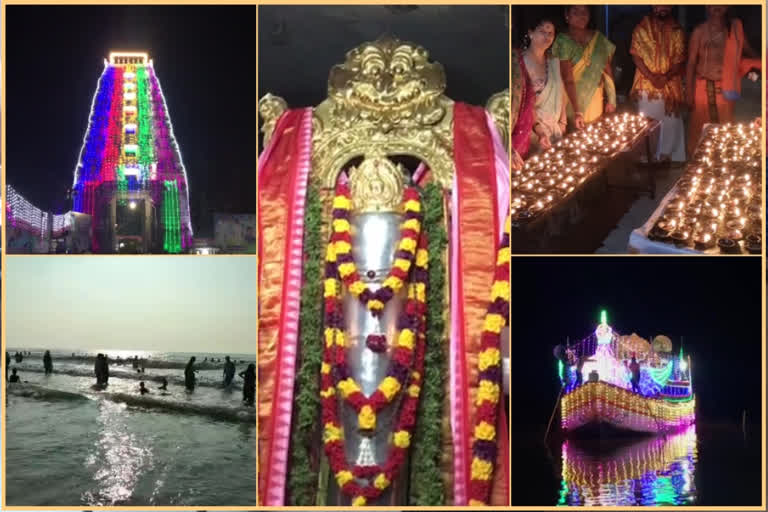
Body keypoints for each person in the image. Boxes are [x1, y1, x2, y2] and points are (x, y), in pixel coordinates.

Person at [686, 6, 761, 155]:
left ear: (727, 7)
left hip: (726, 88)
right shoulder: (699, 32)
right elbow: (691, 63)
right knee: (700, 129)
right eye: (713, 3)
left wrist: (761, 62)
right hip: (703, 88)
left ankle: (721, 165)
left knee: (725, 129)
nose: (717, 7)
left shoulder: (735, 29)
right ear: (707, 6)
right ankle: (698, 166)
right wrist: (688, 92)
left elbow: (746, 49)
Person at [630, 6, 687, 163]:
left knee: (672, 122)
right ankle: (648, 158)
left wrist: (665, 77)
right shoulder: (641, 28)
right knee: (648, 122)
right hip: (647, 84)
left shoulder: (677, 31)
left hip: (670, 84)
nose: (662, 7)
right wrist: (652, 77)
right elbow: (636, 56)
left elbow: (679, 59)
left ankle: (671, 158)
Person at [553, 5, 616, 127]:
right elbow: (567, 79)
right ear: (567, 15)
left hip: (596, 97)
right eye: (575, 11)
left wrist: (611, 99)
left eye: (584, 11)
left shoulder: (599, 39)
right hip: (572, 101)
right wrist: (577, 111)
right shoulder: (562, 41)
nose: (581, 15)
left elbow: (607, 70)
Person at [523, 16, 567, 153]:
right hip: (531, 132)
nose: (547, 37)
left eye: (550, 33)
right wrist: (540, 132)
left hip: (555, 128)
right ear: (531, 33)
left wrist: (563, 122)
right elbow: (523, 104)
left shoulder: (553, 62)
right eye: (542, 31)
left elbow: (561, 91)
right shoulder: (520, 63)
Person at [510, 47, 536, 167]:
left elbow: (529, 98)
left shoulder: (516, 59)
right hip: (503, 150)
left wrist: (539, 128)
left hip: (521, 143)